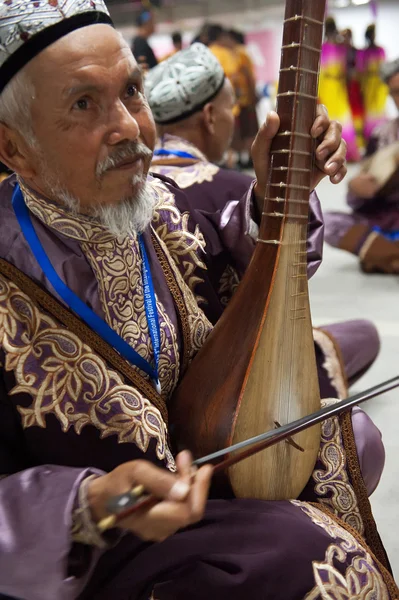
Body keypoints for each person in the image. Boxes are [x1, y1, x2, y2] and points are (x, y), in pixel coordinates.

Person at [0, 3, 395, 599]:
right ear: (14, 148)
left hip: (201, 473)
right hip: (91, 553)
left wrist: (280, 192)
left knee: (346, 440)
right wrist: (88, 505)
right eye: (84, 104)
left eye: (132, 90)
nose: (130, 128)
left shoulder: (149, 204)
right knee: (307, 556)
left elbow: (240, 270)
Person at [147, 43, 381, 397]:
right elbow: (290, 281)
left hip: (157, 379)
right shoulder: (243, 187)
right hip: (236, 387)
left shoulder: (131, 190)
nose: (234, 116)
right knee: (364, 338)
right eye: (232, 107)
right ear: (211, 116)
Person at [325, 58, 399, 274]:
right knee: (327, 222)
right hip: (387, 220)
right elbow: (361, 195)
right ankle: (389, 257)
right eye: (395, 91)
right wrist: (356, 188)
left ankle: (381, 257)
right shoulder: (382, 134)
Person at [319, 17, 360, 162]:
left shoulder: (333, 47)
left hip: (335, 85)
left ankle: (342, 150)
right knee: (335, 116)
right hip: (331, 85)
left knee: (341, 116)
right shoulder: (327, 48)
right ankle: (335, 150)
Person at [358, 24, 388, 142]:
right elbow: (361, 70)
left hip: (380, 86)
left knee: (380, 109)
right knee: (369, 112)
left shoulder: (381, 50)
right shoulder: (363, 52)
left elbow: (384, 66)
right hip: (368, 85)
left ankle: (381, 135)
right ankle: (370, 138)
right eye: (372, 34)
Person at [342, 28, 365, 153]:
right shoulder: (341, 51)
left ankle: (358, 143)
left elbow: (359, 68)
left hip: (353, 85)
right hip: (342, 87)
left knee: (356, 112)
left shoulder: (355, 51)